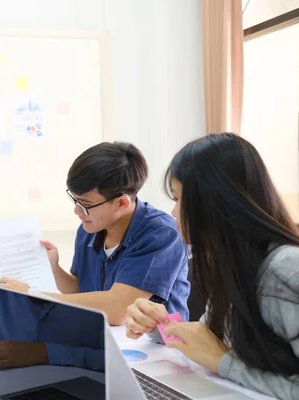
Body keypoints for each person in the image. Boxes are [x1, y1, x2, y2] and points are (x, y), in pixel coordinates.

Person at [126, 133, 299, 400]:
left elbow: (218, 354)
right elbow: (209, 340)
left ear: (216, 202)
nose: (173, 212)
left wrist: (224, 363)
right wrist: (159, 325)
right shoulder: (232, 264)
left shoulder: (286, 268)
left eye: (178, 198)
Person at [0, 142, 190, 326]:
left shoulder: (161, 234)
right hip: (102, 337)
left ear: (122, 203)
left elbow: (118, 310)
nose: (77, 210)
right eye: (74, 200)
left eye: (85, 204)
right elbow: (80, 291)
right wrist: (54, 269)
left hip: (157, 349)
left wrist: (33, 296)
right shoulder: (89, 228)